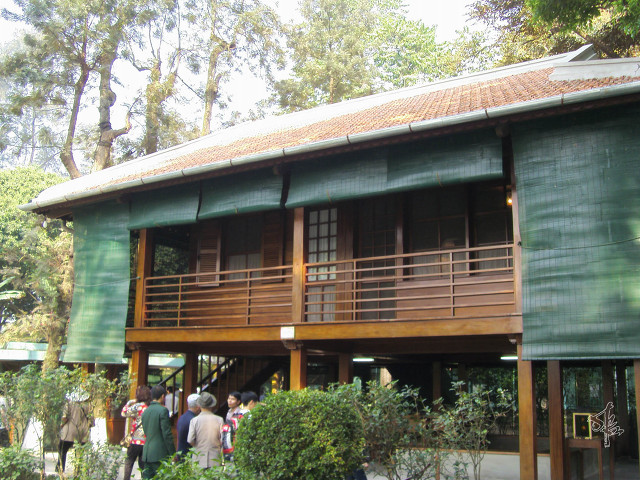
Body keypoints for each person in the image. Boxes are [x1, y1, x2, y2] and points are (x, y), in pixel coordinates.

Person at [141, 385, 175, 479]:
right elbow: (167, 434)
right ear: (163, 396)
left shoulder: (145, 411)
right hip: (160, 453)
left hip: (147, 452)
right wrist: (173, 453)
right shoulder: (163, 410)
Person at [57, 389, 93, 473]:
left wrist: (61, 425)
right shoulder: (89, 405)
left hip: (69, 432)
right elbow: (91, 421)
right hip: (83, 433)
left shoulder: (69, 404)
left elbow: (64, 417)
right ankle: (78, 471)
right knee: (80, 452)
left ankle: (60, 469)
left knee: (62, 450)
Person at [121, 385, 152, 480]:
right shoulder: (150, 407)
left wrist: (129, 402)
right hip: (146, 441)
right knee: (143, 465)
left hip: (135, 440)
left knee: (129, 462)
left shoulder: (137, 407)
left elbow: (123, 413)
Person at [187, 392, 223, 469]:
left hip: (198, 456)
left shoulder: (194, 420)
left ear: (199, 405)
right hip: (215, 457)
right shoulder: (219, 420)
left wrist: (198, 446)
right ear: (212, 405)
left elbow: (190, 440)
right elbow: (222, 439)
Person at [175, 393, 200, 460]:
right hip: (189, 456)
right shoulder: (194, 420)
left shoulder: (182, 417)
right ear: (198, 407)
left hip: (180, 453)